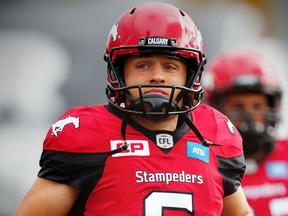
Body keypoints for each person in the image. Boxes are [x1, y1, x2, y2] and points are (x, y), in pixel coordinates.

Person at [15, 3, 251, 216]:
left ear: (191, 74)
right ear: (119, 71)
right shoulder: (85, 132)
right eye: (143, 65)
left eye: (170, 66)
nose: (157, 76)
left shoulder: (216, 134)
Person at [203, 49, 288, 216]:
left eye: (257, 106)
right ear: (214, 107)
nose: (249, 116)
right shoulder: (202, 163)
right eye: (238, 107)